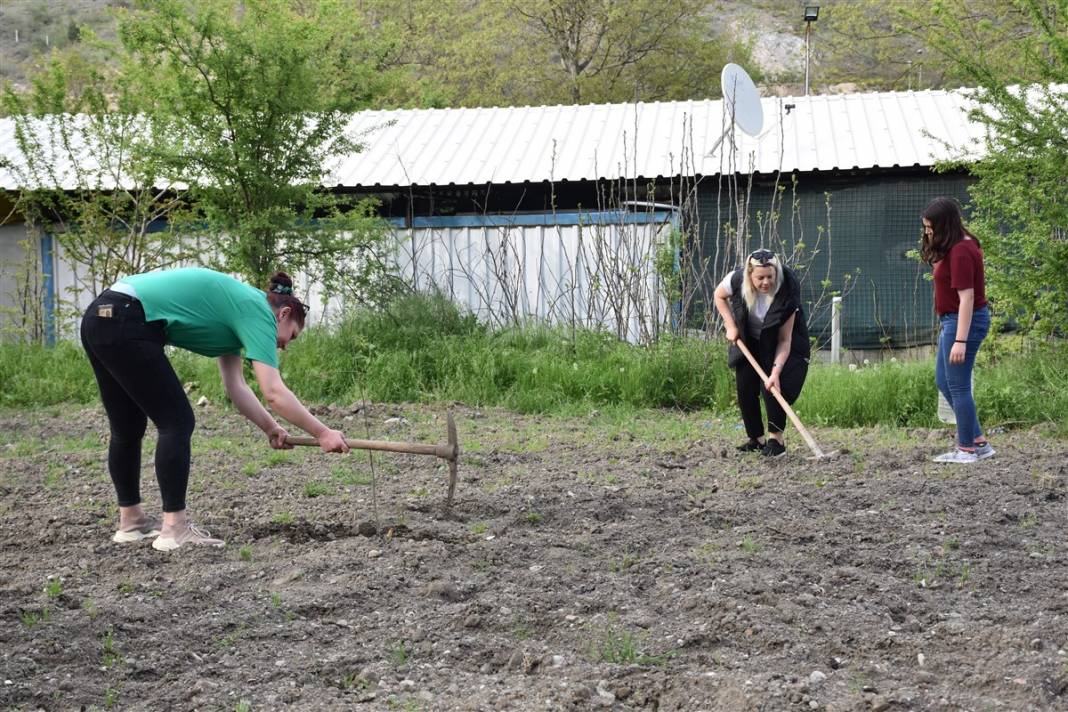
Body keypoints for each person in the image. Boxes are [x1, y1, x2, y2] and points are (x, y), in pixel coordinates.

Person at [80, 267, 350, 551]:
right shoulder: (258, 312)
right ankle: (174, 529)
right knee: (177, 422)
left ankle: (131, 523)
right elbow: (273, 392)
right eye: (291, 335)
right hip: (128, 318)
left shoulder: (236, 310)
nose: (284, 345)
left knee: (127, 426)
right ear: (283, 314)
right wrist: (322, 432)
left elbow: (236, 387)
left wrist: (270, 428)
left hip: (101, 316)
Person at [713, 248, 810, 457]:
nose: (766, 282)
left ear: (776, 273)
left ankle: (777, 441)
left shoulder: (788, 290)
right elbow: (719, 296)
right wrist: (730, 326)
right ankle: (755, 439)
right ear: (749, 275)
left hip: (778, 340)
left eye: (770, 277)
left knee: (773, 387)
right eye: (760, 278)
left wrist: (775, 373)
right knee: (745, 386)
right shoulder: (736, 280)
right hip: (749, 339)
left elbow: (785, 341)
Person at [921, 197, 994, 463]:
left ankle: (966, 449)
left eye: (931, 227)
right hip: (953, 321)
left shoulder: (962, 250)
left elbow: (967, 297)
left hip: (963, 322)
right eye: (926, 227)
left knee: (959, 386)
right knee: (945, 380)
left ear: (946, 224)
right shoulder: (957, 245)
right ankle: (979, 442)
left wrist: (960, 340)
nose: (928, 232)